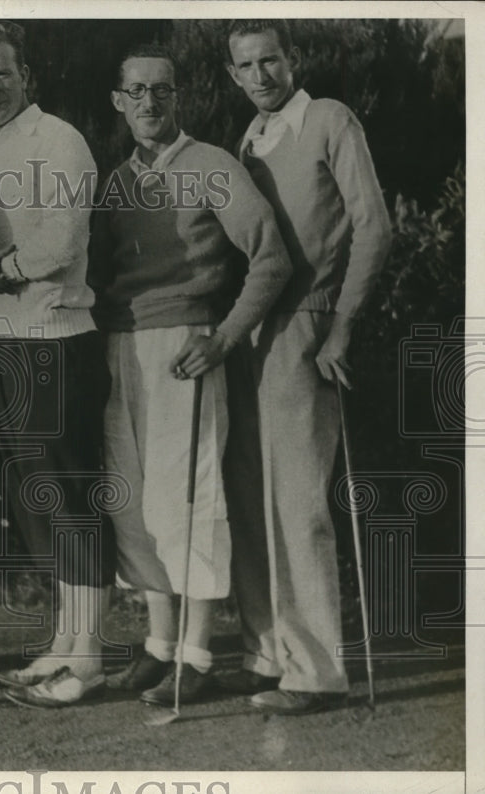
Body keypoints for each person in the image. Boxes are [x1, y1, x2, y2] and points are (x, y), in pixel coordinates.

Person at [89, 43, 292, 706]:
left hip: (186, 345)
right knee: (136, 503)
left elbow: (271, 259)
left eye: (163, 90)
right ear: (120, 101)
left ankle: (199, 656)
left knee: (190, 498)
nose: (151, 102)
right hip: (121, 345)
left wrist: (225, 337)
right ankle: (160, 645)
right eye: (138, 91)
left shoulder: (211, 165)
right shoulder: (116, 180)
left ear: (180, 98)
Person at [222, 19, 392, 714]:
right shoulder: (249, 138)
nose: (261, 75)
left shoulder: (327, 118)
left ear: (293, 60)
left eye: (271, 60)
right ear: (233, 75)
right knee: (249, 496)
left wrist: (341, 328)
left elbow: (374, 225)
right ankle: (268, 655)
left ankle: (318, 673)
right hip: (252, 332)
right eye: (247, 66)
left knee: (298, 502)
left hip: (309, 326)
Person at [0, 19, 116, 708]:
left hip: (58, 336)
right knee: (37, 497)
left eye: (2, 73)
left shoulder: (61, 141)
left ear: (26, 77)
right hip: (6, 339)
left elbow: (61, 244)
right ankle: (66, 642)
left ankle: (93, 657)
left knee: (72, 497)